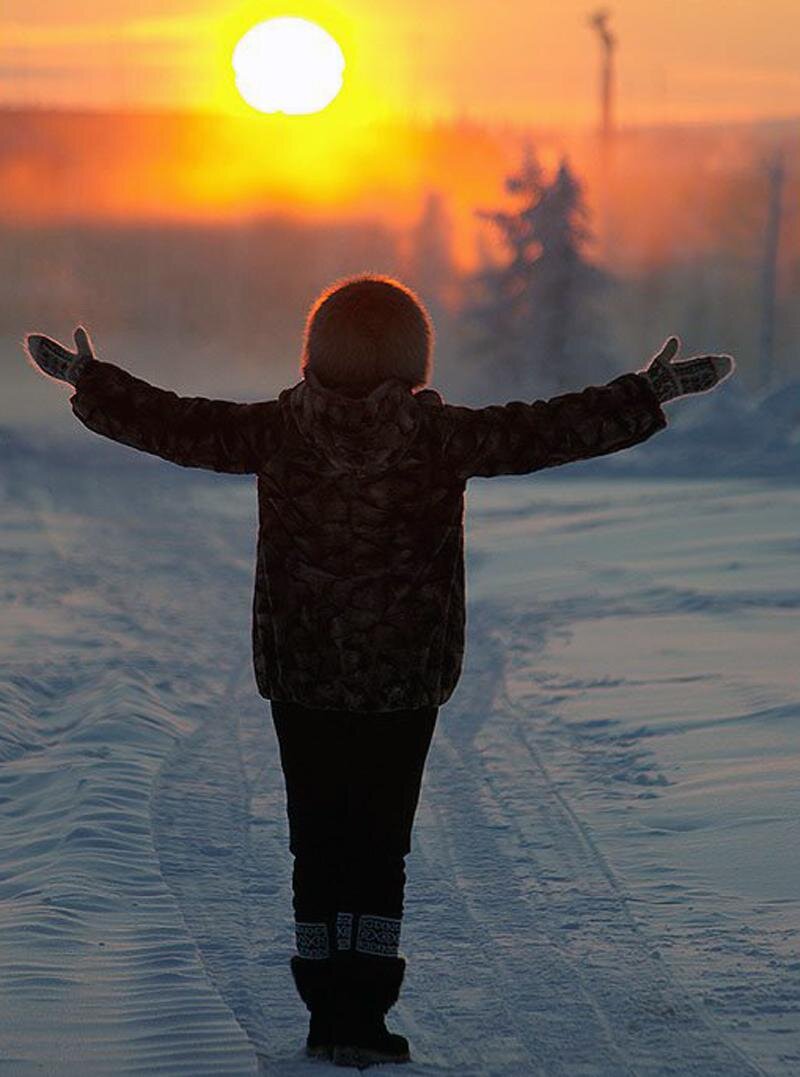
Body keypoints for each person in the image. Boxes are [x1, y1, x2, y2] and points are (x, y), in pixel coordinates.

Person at [23, 275, 734, 1068]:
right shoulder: (440, 439)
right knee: (379, 849)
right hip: (403, 681)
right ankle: (364, 1014)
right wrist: (649, 391)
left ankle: (327, 1011)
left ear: (318, 350)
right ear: (412, 356)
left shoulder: (278, 432)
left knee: (317, 845)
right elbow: (549, 430)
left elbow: (176, 424)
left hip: (303, 677)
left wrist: (93, 383)